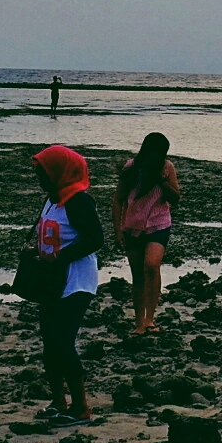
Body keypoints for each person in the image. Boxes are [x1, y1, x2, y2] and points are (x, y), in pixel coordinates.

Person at [28, 145, 102, 427]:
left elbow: (95, 239)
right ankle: (59, 401)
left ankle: (81, 408)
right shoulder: (51, 199)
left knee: (61, 341)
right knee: (49, 341)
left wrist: (60, 256)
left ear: (60, 172)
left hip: (77, 282)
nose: (40, 179)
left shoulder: (79, 202)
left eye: (44, 173)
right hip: (51, 282)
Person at [114, 132, 180, 335]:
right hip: (132, 225)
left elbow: (176, 198)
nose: (160, 157)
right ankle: (139, 321)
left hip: (159, 224)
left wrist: (162, 181)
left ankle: (150, 319)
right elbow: (118, 199)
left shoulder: (167, 168)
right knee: (138, 275)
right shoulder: (132, 168)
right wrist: (117, 230)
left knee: (152, 265)